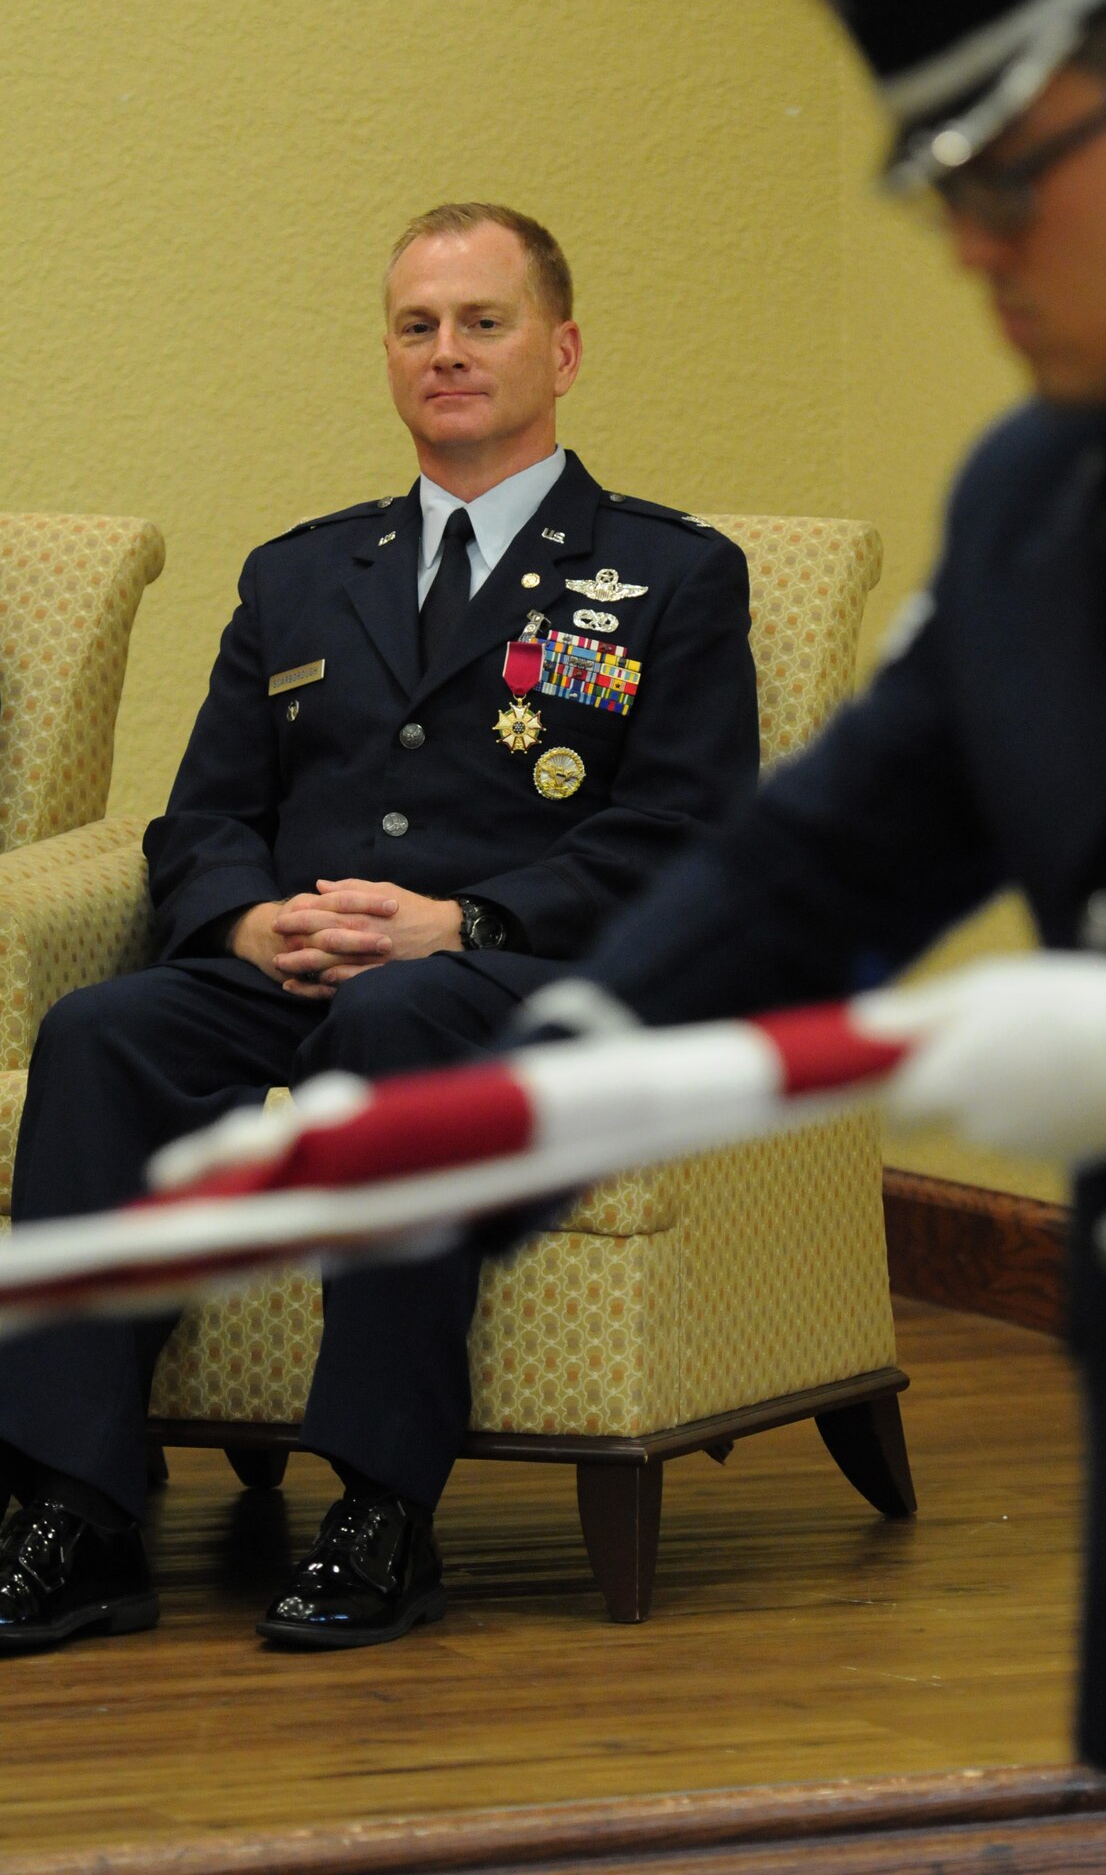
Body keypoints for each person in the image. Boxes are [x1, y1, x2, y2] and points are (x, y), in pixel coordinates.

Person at [522, 0, 1106, 1868]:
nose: (967, 247)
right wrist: (552, 1065)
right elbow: (831, 842)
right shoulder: (1040, 492)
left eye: (1008, 174)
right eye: (939, 189)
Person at [0, 201, 757, 1652]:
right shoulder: (300, 572)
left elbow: (685, 834)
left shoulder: (666, 576)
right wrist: (244, 924)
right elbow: (202, 818)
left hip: (512, 977)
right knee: (99, 1035)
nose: (447, 353)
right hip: (300, 967)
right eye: (417, 326)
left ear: (565, 348)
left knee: (402, 1017)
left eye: (484, 321)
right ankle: (76, 1509)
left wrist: (460, 918)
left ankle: (381, 1509)